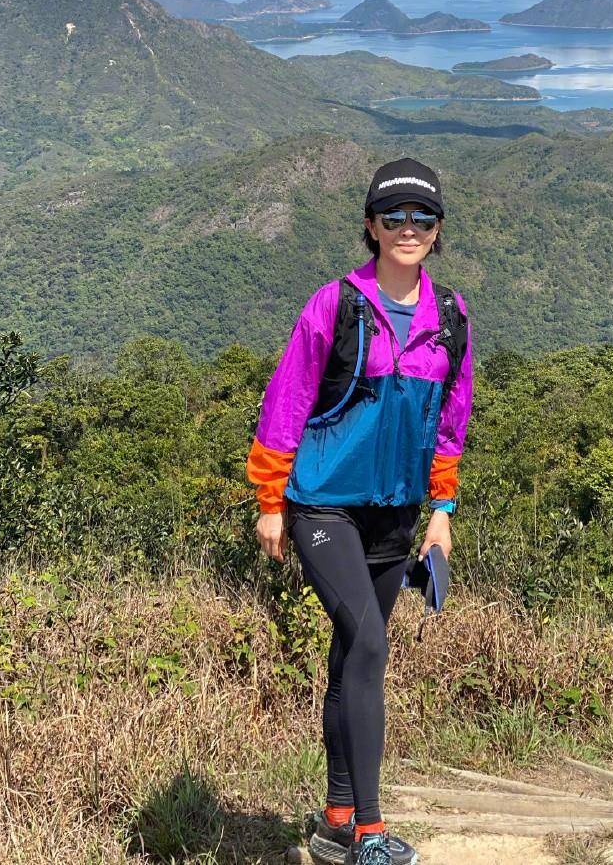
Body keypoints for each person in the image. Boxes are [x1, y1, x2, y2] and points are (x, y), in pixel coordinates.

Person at [245, 157, 473, 865]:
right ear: (371, 227)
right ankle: (370, 834)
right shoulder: (336, 306)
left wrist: (441, 510)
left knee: (351, 657)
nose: (409, 229)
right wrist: (270, 500)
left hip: (395, 513)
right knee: (370, 644)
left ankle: (337, 814)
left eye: (422, 218)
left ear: (437, 232)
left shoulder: (451, 319)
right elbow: (286, 400)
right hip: (322, 504)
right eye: (394, 217)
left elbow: (449, 420)